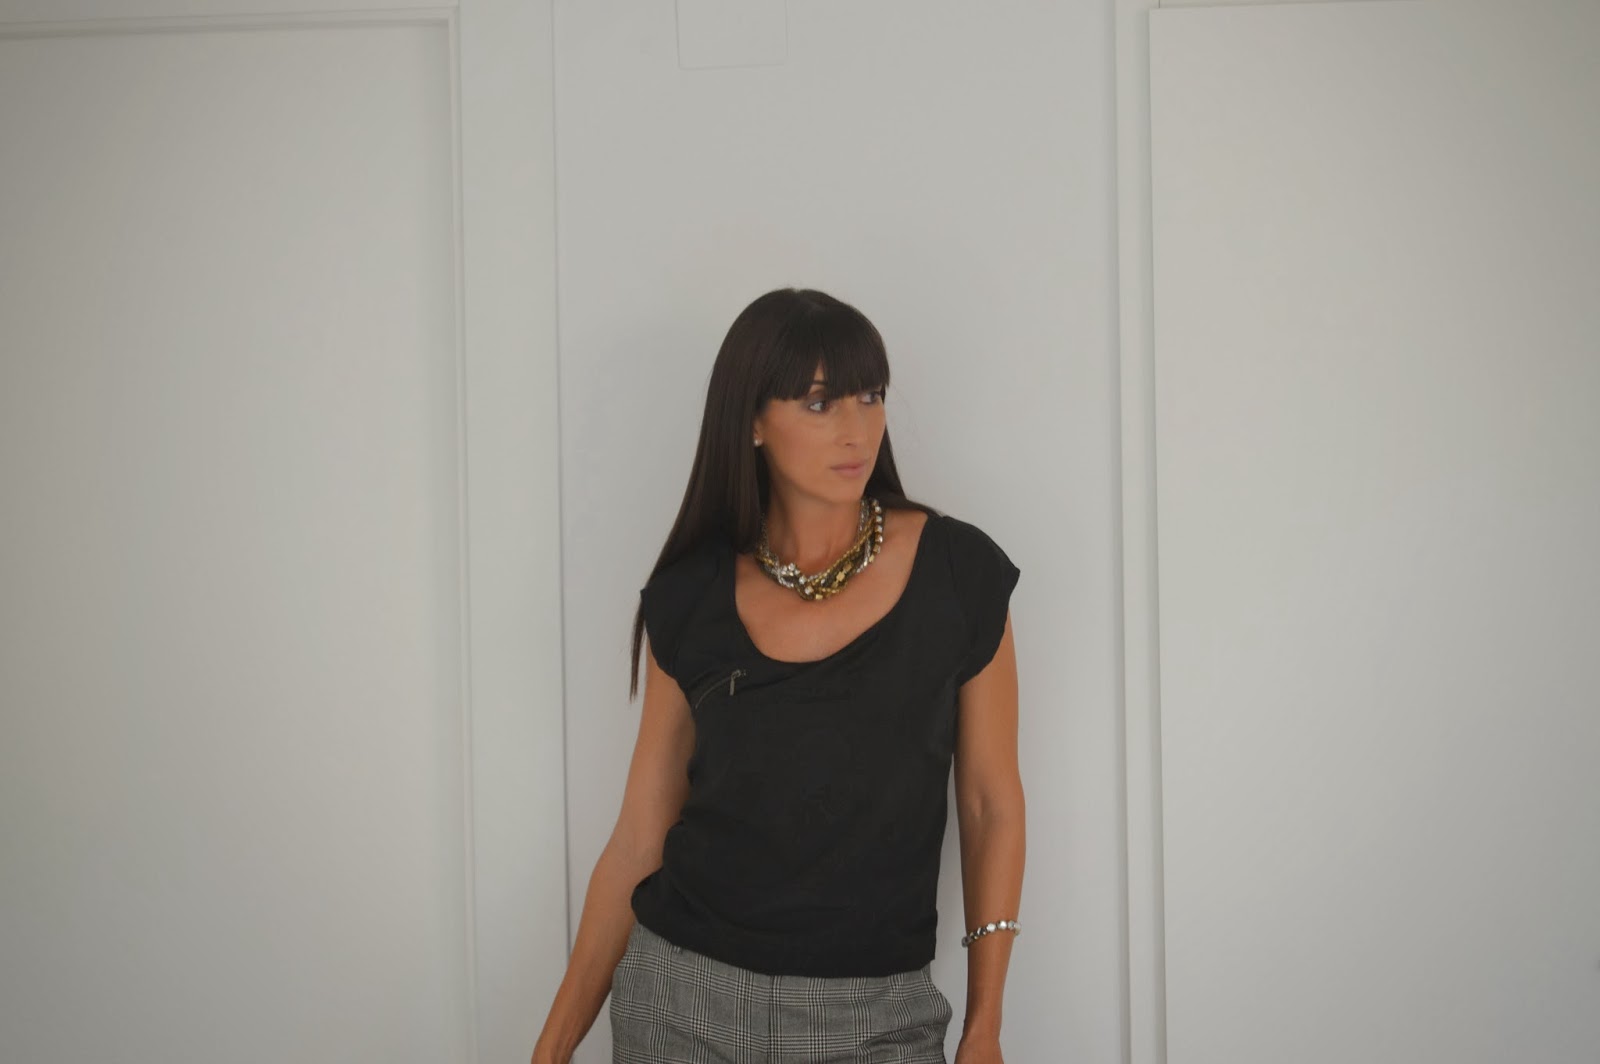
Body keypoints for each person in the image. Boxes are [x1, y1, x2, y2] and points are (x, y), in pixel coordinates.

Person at [531, 287, 1025, 1064]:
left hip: (879, 1022)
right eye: (820, 403)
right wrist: (551, 1048)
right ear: (752, 421)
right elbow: (637, 840)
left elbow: (991, 805)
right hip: (680, 1009)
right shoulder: (692, 596)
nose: (857, 429)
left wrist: (985, 1025)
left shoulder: (959, 575)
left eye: (871, 396)